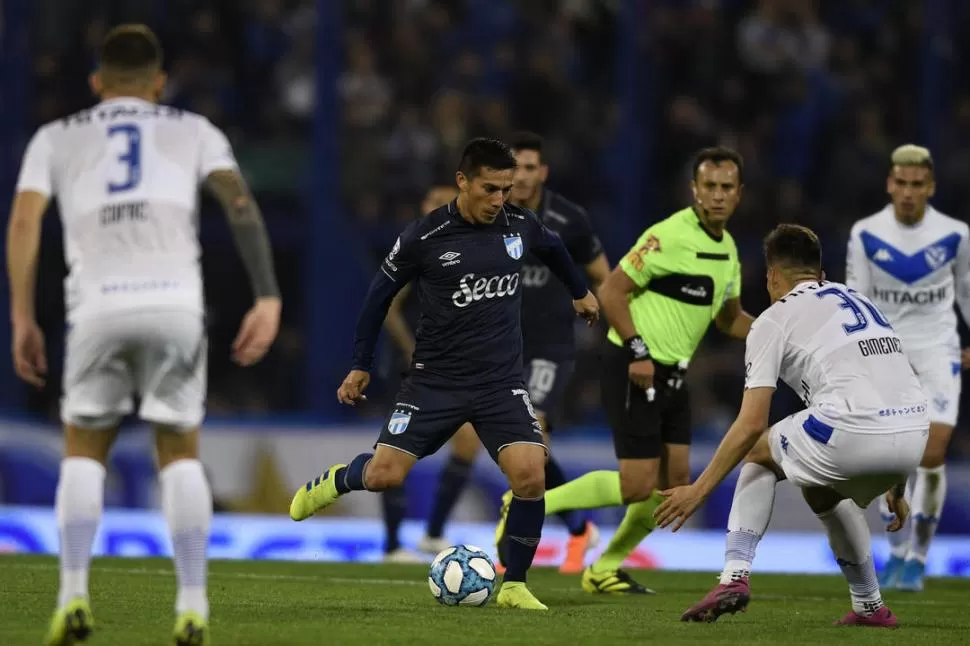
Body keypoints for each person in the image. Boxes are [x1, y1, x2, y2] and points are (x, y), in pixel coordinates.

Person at [7, 25, 281, 646]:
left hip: (99, 306)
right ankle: (191, 606)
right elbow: (239, 204)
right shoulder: (194, 129)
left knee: (82, 450)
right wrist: (267, 294)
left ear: (96, 82)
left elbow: (25, 219)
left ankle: (73, 596)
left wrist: (22, 316)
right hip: (176, 305)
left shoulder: (54, 137)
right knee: (180, 453)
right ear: (159, 83)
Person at [289, 138, 600, 611]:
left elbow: (556, 249)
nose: (500, 199)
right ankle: (338, 479)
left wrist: (580, 293)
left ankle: (514, 584)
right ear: (463, 182)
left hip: (500, 383)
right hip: (434, 383)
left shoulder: (520, 224)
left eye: (506, 189)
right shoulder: (424, 236)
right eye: (490, 189)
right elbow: (377, 299)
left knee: (531, 475)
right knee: (385, 475)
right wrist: (360, 364)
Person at [496, 146, 754, 594]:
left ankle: (604, 568)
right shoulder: (668, 235)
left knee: (673, 485)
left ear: (739, 194)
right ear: (694, 190)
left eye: (725, 187)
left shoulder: (728, 251)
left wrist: (784, 323)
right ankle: (521, 503)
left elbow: (730, 319)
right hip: (635, 365)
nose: (716, 195)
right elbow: (613, 291)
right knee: (637, 485)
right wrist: (637, 350)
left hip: (675, 374)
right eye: (708, 186)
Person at [657, 224, 928, 628]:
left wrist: (699, 489)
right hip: (914, 435)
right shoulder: (858, 300)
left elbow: (751, 424)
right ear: (818, 273)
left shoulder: (774, 318)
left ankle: (734, 576)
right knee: (819, 488)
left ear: (772, 277)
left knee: (758, 450)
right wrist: (899, 485)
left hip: (854, 430)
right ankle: (869, 606)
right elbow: (894, 384)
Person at [416, 132, 609, 574]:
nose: (519, 177)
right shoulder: (494, 216)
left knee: (532, 437)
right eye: (513, 169)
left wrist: (623, 337)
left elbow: (605, 277)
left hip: (548, 348)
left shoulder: (567, 218)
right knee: (467, 438)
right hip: (498, 348)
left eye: (528, 168)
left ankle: (573, 531)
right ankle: (432, 533)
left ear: (541, 172)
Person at [846, 144, 970, 592]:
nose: (908, 192)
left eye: (917, 184)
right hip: (885, 353)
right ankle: (898, 554)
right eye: (901, 183)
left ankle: (918, 556)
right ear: (890, 183)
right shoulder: (865, 233)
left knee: (932, 454)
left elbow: (967, 295)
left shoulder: (955, 234)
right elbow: (857, 299)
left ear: (930, 186)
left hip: (938, 350)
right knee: (890, 456)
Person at [378, 184, 458, 564]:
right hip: (417, 367)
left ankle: (433, 532)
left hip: (456, 367)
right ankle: (393, 544)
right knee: (394, 454)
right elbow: (389, 307)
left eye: (445, 203)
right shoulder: (418, 246)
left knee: (469, 444)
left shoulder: (465, 246)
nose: (438, 209)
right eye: (432, 203)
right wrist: (410, 349)